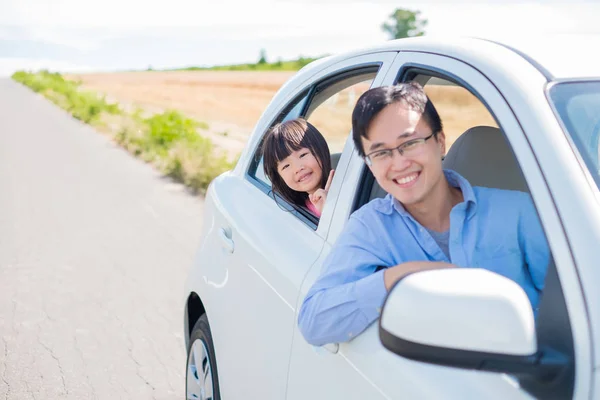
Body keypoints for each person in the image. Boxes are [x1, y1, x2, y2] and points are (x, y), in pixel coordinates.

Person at [297, 82, 549, 346]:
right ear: (370, 165)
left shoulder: (520, 212)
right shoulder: (370, 227)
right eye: (381, 152)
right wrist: (397, 278)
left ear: (440, 142)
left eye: (411, 142)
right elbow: (314, 322)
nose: (399, 163)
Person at [262, 118, 335, 217]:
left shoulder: (350, 188)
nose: (298, 168)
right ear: (279, 177)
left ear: (320, 149)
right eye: (286, 166)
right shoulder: (300, 212)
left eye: (303, 155)